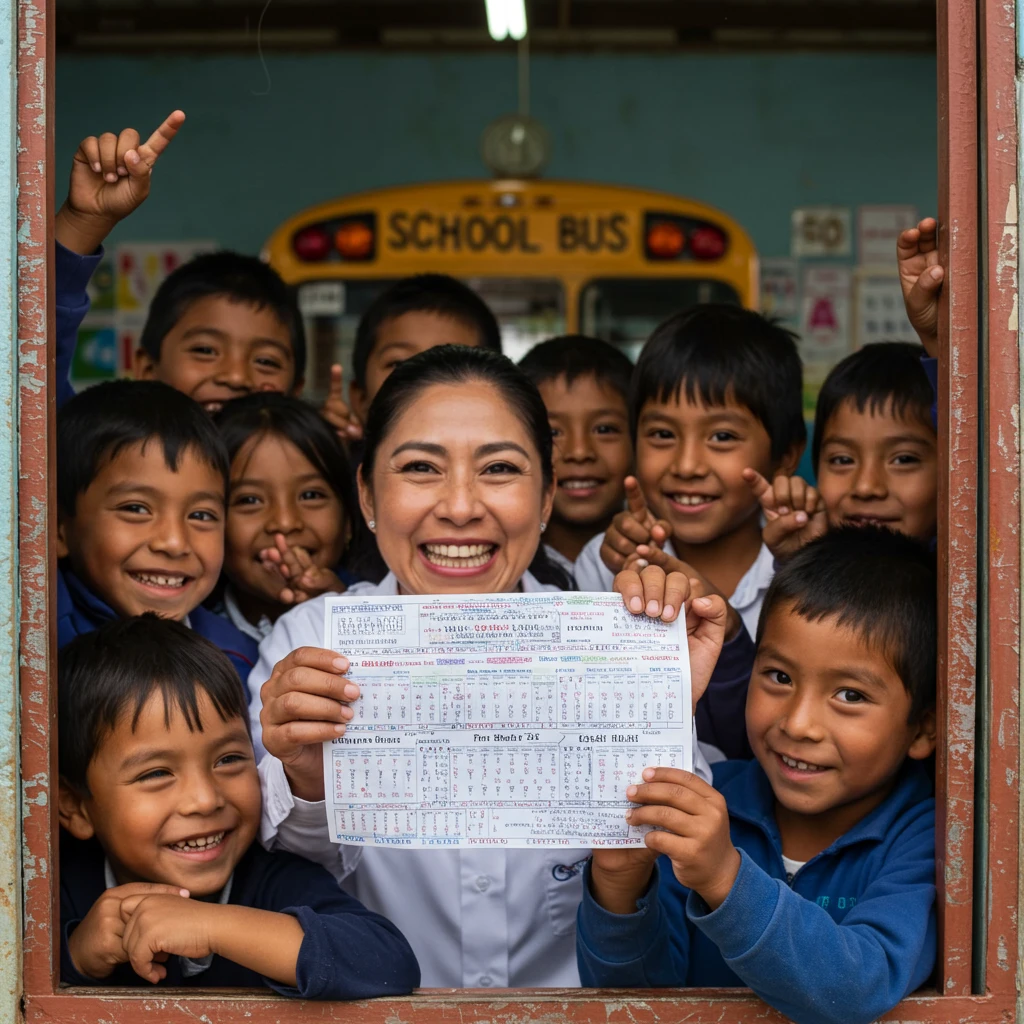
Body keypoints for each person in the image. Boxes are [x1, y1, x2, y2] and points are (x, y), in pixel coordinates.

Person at [248, 345, 742, 988]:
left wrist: (659, 704)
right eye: (421, 467)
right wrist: (308, 777)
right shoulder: (310, 643)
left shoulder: (618, 642)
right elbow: (283, 879)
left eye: (499, 469)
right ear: (367, 494)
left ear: (546, 499)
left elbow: (677, 893)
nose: (459, 506)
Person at [576, 527, 937, 1024]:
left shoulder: (928, 834)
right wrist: (619, 884)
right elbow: (631, 1000)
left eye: (850, 695)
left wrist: (726, 877)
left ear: (924, 728)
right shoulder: (707, 799)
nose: (797, 723)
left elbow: (859, 987)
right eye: (779, 677)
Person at [57, 615, 419, 997]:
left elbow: (390, 964)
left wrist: (213, 927)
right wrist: (76, 955)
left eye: (228, 759)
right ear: (76, 809)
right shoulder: (54, 886)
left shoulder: (273, 880)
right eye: (156, 773)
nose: (205, 800)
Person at [574, 304, 806, 640]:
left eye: (722, 437)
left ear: (785, 455)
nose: (686, 466)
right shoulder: (604, 564)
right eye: (663, 434)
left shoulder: (804, 566)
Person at [54, 111, 306, 412]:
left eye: (266, 361)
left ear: (296, 392)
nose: (237, 377)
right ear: (147, 370)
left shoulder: (320, 459)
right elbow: (29, 377)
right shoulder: (102, 456)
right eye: (205, 350)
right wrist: (83, 223)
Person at [57, 380, 257, 682]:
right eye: (136, 509)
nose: (174, 542)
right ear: (59, 529)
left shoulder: (237, 660)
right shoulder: (40, 634)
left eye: (201, 515)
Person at [745, 343, 937, 560]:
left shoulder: (972, 578)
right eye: (843, 460)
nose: (865, 487)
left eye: (903, 459)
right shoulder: (809, 558)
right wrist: (801, 558)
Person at [210, 393, 361, 643]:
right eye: (249, 500)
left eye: (311, 495)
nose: (285, 522)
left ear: (348, 521)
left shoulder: (387, 609)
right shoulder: (189, 634)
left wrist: (342, 619)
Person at [320, 273, 502, 440]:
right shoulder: (336, 471)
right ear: (361, 400)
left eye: (450, 364)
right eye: (398, 364)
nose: (421, 380)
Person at [519, 335, 634, 567]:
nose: (579, 452)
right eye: (553, 433)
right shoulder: (503, 566)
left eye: (604, 429)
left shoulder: (664, 554)